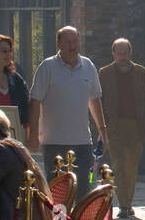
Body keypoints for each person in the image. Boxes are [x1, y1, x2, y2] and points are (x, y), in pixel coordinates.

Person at [28, 26, 109, 202]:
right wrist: (33, 135)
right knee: (58, 194)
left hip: (82, 142)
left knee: (83, 191)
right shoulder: (47, 67)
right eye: (68, 42)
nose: (73, 46)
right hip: (54, 142)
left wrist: (102, 130)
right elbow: (35, 102)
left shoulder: (88, 66)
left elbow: (94, 99)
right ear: (59, 44)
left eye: (75, 41)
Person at [98, 38, 145, 218]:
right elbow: (98, 100)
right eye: (119, 53)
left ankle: (127, 202)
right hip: (114, 125)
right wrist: (101, 126)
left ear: (130, 53)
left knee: (131, 165)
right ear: (113, 53)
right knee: (117, 164)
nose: (123, 57)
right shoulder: (105, 73)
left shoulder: (141, 73)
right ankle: (124, 205)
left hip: (135, 125)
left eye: (125, 53)